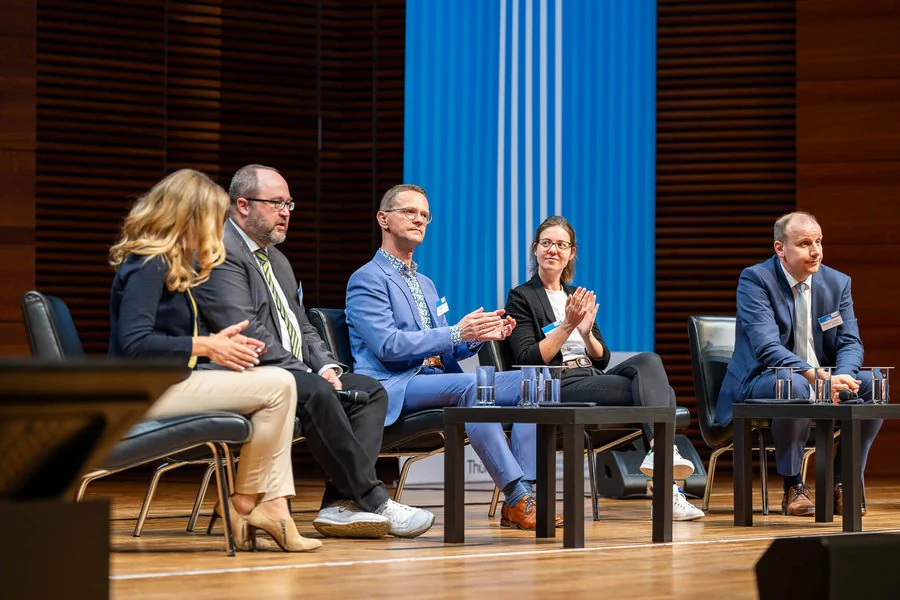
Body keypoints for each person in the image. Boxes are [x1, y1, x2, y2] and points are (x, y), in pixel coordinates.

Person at [193, 165, 434, 539]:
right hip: (244, 371)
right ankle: (373, 500)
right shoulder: (221, 254)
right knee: (319, 391)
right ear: (242, 205)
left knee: (369, 390)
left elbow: (302, 327)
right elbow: (247, 332)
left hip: (291, 371)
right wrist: (309, 374)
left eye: (289, 203)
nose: (286, 211)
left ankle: (338, 506)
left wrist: (326, 366)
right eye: (276, 203)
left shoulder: (276, 259)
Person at [108, 169, 321, 552]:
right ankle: (250, 505)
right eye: (210, 217)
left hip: (170, 382)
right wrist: (205, 346)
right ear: (186, 215)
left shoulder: (172, 263)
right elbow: (134, 344)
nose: (216, 229)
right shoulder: (148, 263)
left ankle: (262, 505)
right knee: (278, 385)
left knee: (275, 386)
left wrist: (215, 347)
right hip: (142, 393)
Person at [346, 183, 551, 531]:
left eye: (424, 215)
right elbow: (389, 346)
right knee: (474, 390)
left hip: (436, 379)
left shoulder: (425, 283)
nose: (419, 220)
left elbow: (444, 345)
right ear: (383, 219)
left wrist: (477, 337)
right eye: (409, 212)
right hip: (395, 384)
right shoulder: (366, 279)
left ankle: (523, 495)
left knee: (536, 381)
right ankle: (517, 495)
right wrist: (458, 331)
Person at [504, 215, 704, 522]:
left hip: (590, 375)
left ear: (572, 253)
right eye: (546, 243)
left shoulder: (575, 296)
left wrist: (584, 333)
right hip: (557, 384)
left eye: (561, 244)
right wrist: (567, 325)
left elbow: (601, 358)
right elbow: (529, 357)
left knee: (649, 361)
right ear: (535, 250)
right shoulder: (522, 296)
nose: (552, 250)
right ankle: (667, 486)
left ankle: (660, 460)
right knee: (661, 392)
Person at [718, 211, 882, 516]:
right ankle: (794, 486)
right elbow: (767, 347)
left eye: (818, 241)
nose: (816, 250)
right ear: (780, 249)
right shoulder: (756, 280)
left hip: (823, 378)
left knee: (872, 382)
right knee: (793, 383)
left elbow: (849, 341)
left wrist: (842, 378)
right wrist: (819, 378)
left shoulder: (837, 283)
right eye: (805, 243)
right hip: (764, 378)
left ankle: (840, 483)